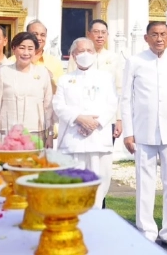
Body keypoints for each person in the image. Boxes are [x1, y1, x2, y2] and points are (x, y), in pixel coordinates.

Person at [121, 22, 167, 251]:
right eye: (154, 34)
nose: (159, 38)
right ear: (146, 37)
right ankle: (146, 231)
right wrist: (129, 133)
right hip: (144, 131)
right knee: (145, 183)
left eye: (163, 34)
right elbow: (126, 99)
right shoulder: (135, 61)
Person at [53, 37, 117, 209]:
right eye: (81, 51)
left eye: (90, 51)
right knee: (72, 183)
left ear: (95, 54)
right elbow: (58, 105)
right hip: (73, 139)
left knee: (99, 183)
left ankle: (95, 222)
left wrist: (94, 123)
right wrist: (79, 119)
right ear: (73, 55)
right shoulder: (65, 80)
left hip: (98, 140)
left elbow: (112, 103)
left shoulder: (105, 77)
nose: (86, 54)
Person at [0, 31, 54, 147]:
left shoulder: (42, 73)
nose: (26, 53)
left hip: (35, 132)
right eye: (22, 48)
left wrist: (50, 135)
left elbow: (48, 107)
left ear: (35, 51)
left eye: (30, 49)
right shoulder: (3, 72)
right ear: (14, 49)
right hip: (7, 132)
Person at [67, 19, 123, 140]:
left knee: (104, 155)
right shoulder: (78, 56)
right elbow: (70, 85)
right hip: (82, 117)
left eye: (103, 32)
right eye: (96, 32)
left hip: (107, 117)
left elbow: (118, 89)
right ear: (88, 34)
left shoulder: (114, 58)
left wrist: (119, 118)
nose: (100, 36)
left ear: (107, 35)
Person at [25, 20, 64, 92]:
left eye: (42, 35)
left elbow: (62, 89)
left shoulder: (55, 62)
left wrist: (51, 77)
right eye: (35, 34)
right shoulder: (13, 60)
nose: (39, 38)